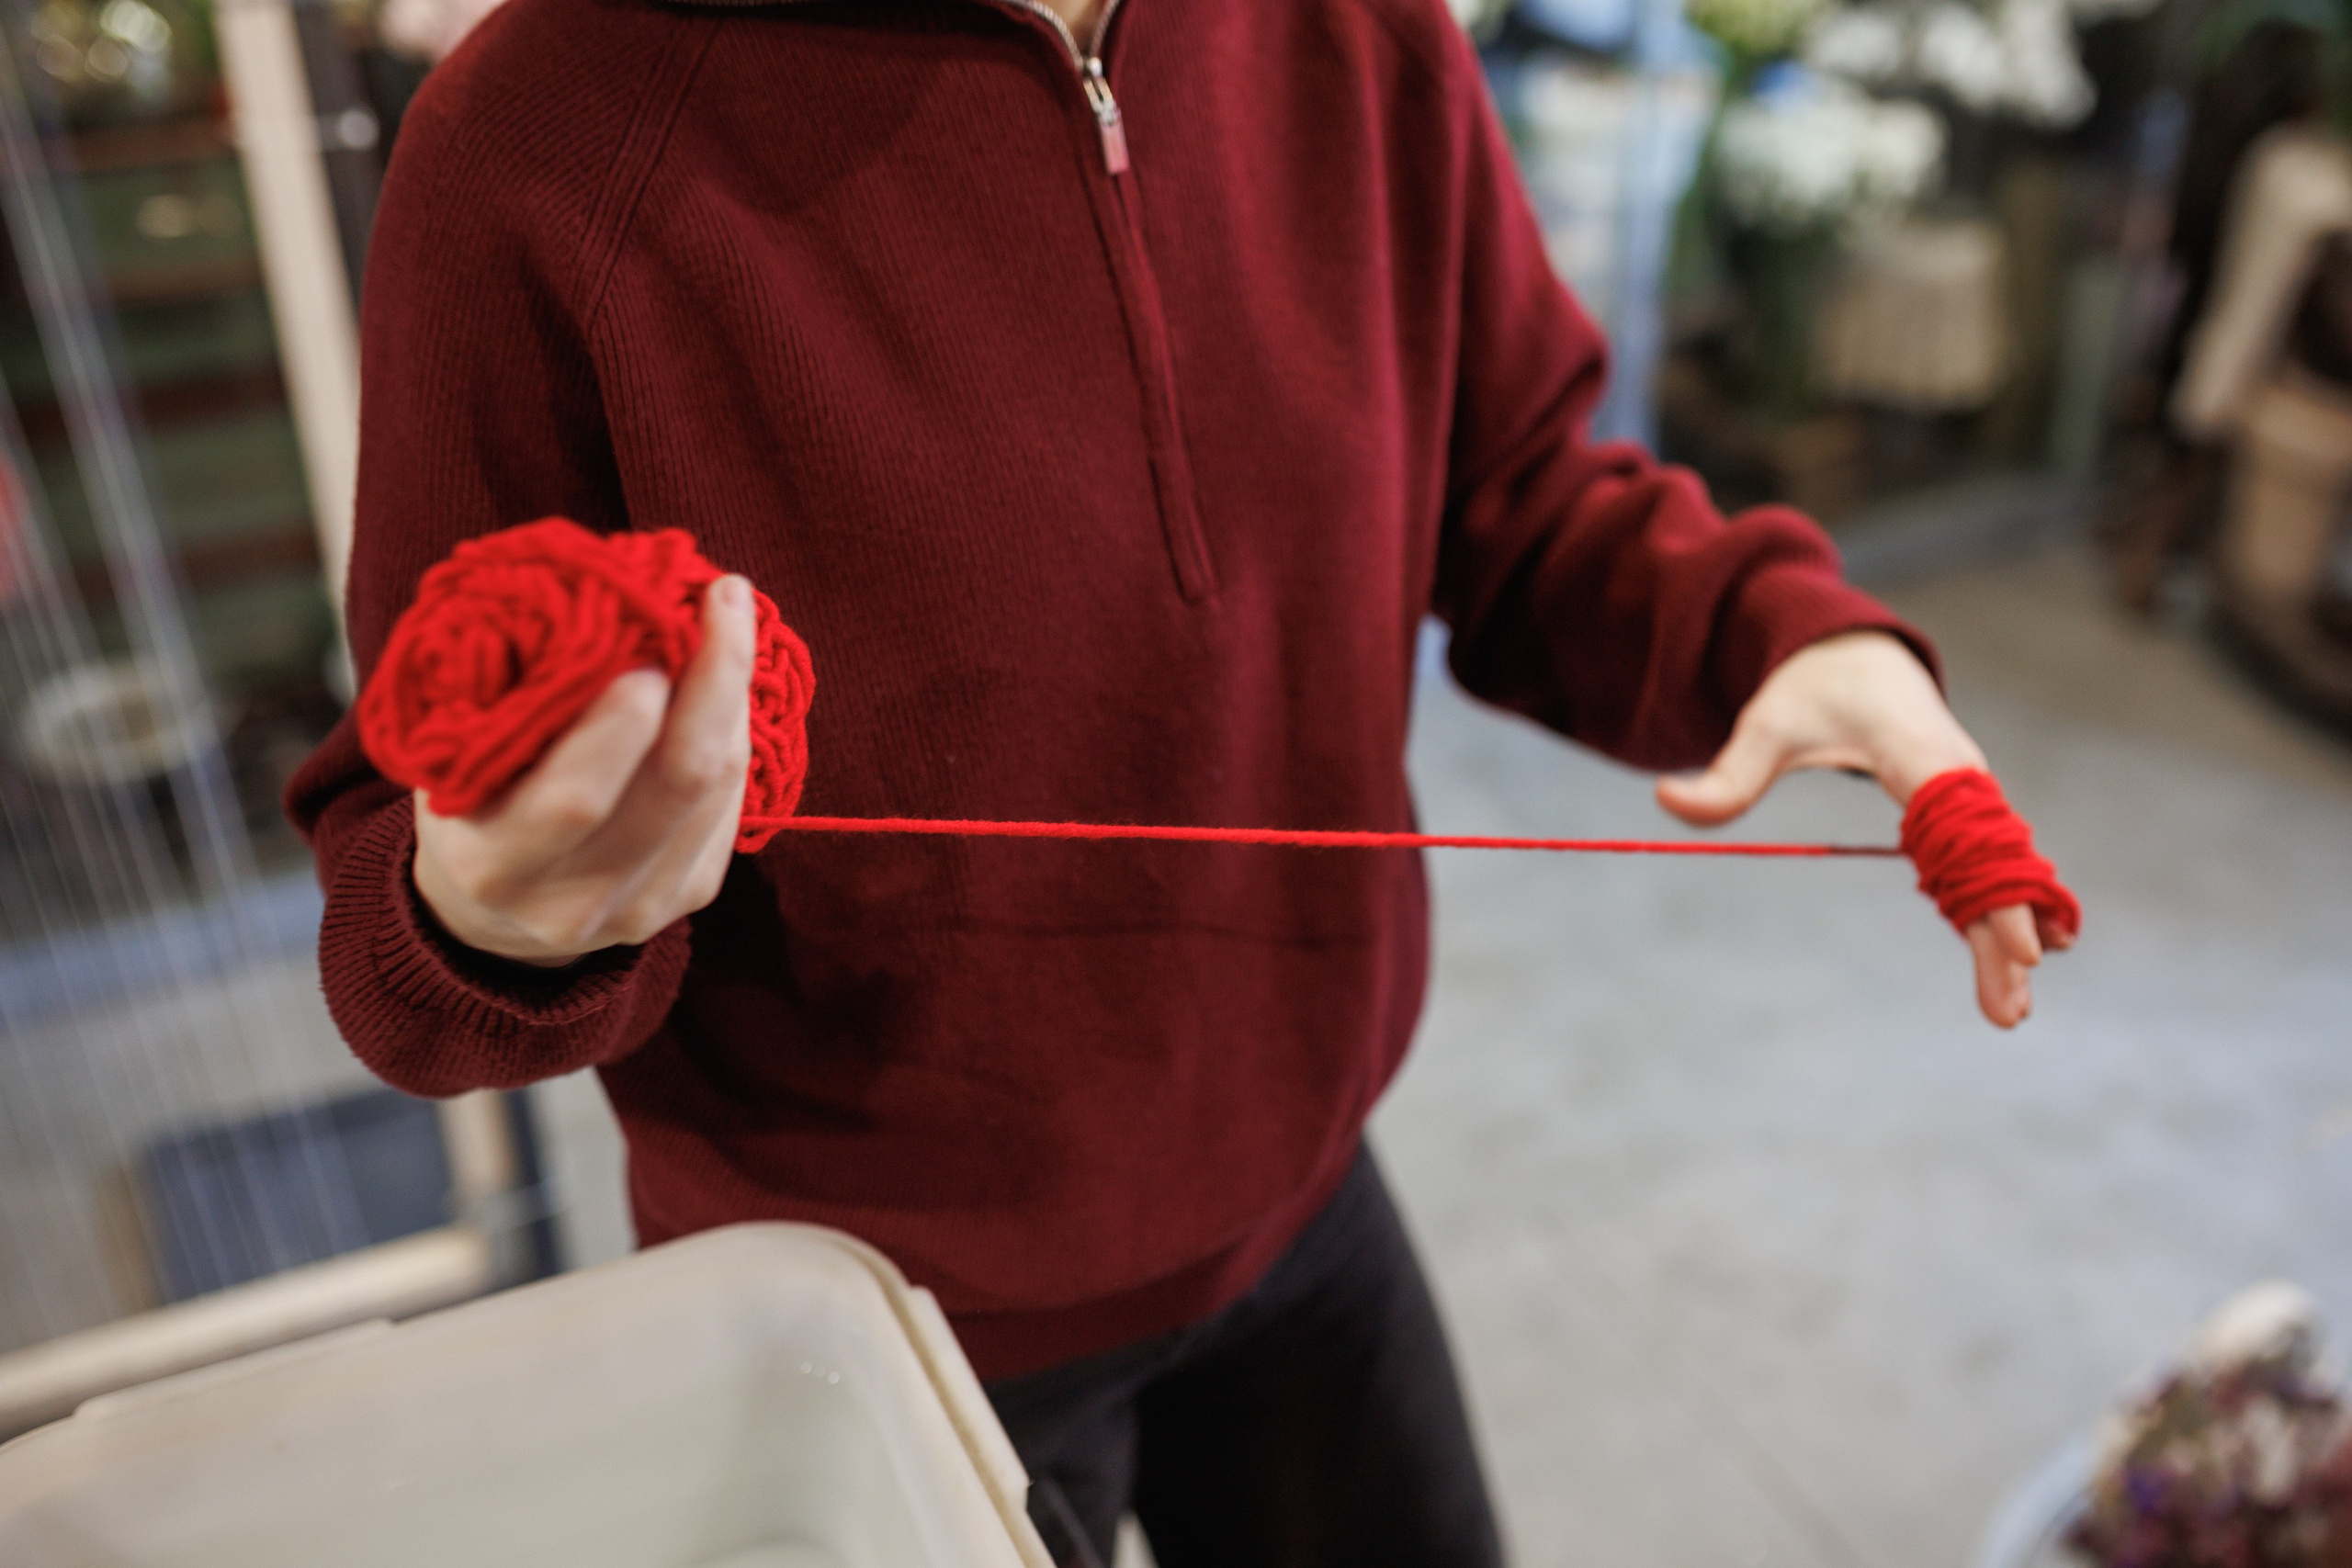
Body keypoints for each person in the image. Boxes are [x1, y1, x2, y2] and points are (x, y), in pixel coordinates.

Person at [287, 0, 2069, 1562]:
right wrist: (493, 923)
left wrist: (1776, 632)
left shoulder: (1357, 37)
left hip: (1296, 1187)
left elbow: (1516, 493)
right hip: (872, 1307)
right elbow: (406, 872)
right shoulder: (537, 146)